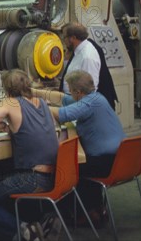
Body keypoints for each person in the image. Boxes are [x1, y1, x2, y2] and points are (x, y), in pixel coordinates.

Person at [0, 69, 60, 241]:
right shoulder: (42, 103)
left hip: (32, 178)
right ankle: (32, 225)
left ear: (7, 90)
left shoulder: (11, 103)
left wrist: (0, 126)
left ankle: (25, 230)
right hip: (54, 175)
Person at [49, 70, 126, 225]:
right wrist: (34, 93)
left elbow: (62, 114)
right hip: (120, 159)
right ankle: (96, 210)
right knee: (82, 167)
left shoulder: (88, 104)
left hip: (106, 162)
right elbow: (64, 99)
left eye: (70, 89)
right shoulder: (97, 98)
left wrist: (35, 105)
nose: (69, 93)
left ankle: (85, 214)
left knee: (67, 173)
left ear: (78, 92)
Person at [58, 22, 118, 108]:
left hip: (80, 105)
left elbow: (89, 92)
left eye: (64, 37)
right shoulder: (78, 51)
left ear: (73, 38)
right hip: (72, 100)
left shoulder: (87, 57)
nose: (64, 41)